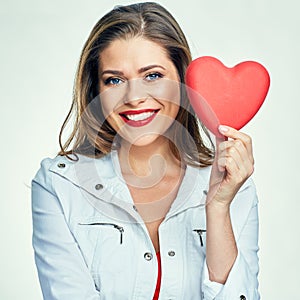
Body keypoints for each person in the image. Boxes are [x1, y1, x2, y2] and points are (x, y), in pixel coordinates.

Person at [31, 2, 259, 299]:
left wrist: (217, 209)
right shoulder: (60, 185)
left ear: (183, 80)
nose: (134, 97)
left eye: (152, 76)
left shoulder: (236, 189)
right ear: (96, 91)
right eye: (114, 80)